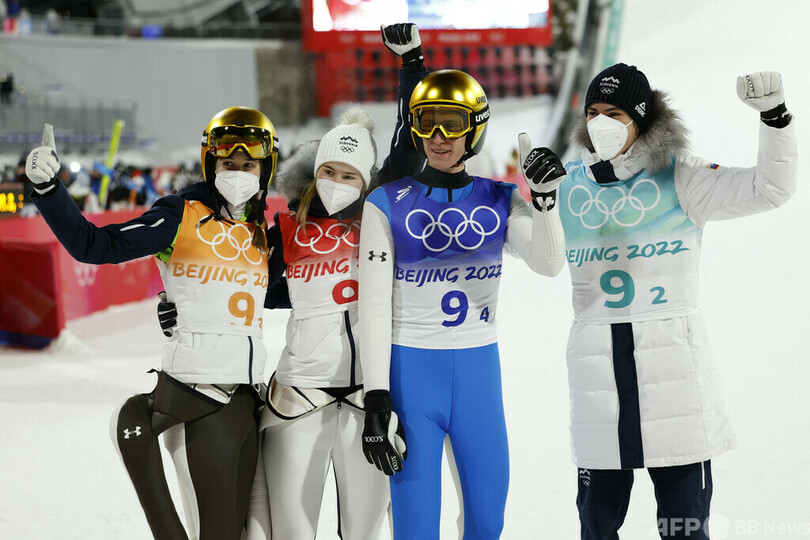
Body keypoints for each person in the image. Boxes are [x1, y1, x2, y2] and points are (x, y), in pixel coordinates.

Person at [523, 64, 796, 539]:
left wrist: (775, 119)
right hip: (599, 387)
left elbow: (770, 188)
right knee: (596, 528)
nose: (600, 123)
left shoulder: (681, 177)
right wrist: (541, 199)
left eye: (614, 113)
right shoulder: (568, 185)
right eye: (592, 112)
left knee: (683, 529)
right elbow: (535, 255)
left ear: (642, 118)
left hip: (676, 388)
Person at [26, 106, 281, 540]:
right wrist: (48, 189)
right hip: (199, 395)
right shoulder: (179, 215)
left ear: (265, 169)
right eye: (227, 164)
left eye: (248, 165)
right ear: (210, 165)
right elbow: (95, 245)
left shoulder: (259, 233)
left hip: (246, 399)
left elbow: (281, 295)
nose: (237, 173)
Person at [356, 30, 568, 537]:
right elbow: (373, 308)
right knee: (415, 527)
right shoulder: (385, 202)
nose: (438, 136)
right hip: (411, 374)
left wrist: (545, 203)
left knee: (487, 522)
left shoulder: (500, 197)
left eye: (452, 123)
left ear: (475, 129)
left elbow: (548, 263)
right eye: (427, 122)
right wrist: (376, 398)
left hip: (477, 374)